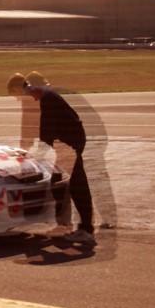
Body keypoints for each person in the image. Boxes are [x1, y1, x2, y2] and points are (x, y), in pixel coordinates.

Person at [24, 78, 96, 244]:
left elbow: (46, 132)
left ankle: (86, 230)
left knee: (77, 186)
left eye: (31, 93)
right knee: (65, 183)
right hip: (71, 143)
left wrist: (36, 154)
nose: (33, 98)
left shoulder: (48, 99)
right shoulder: (49, 97)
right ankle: (66, 225)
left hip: (70, 145)